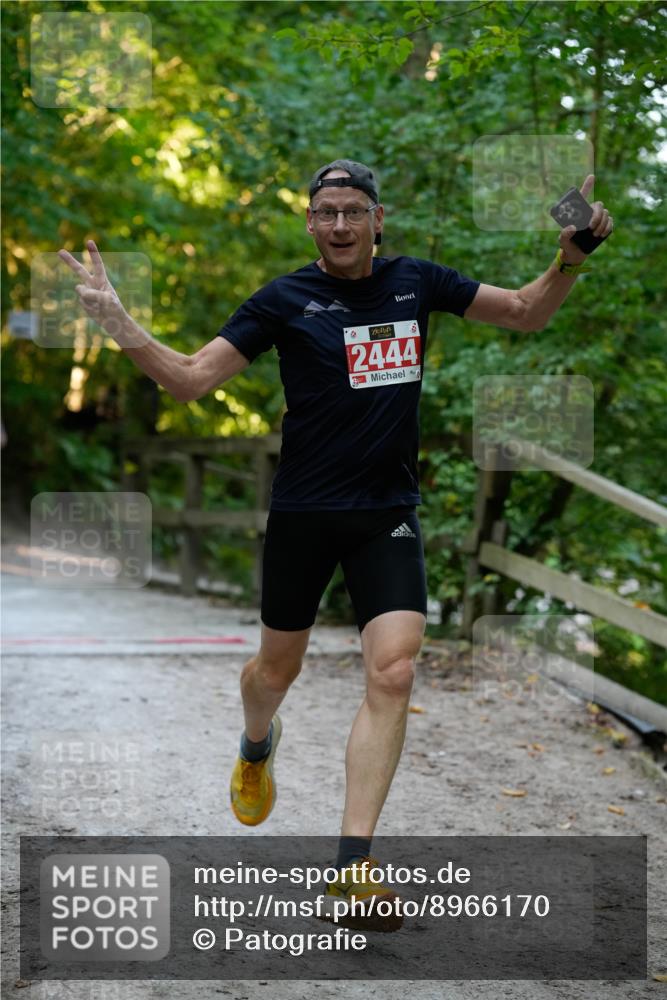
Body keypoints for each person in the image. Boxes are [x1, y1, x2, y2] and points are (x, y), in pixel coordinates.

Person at [59, 159, 613, 932]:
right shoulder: (284, 299)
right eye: (327, 212)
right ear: (310, 223)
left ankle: (353, 867)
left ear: (378, 218)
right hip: (304, 514)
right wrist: (119, 324)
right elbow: (190, 380)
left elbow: (524, 311)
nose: (341, 225)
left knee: (393, 670)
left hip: (385, 511)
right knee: (271, 673)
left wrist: (570, 258)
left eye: (354, 211)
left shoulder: (417, 282)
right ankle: (256, 743)